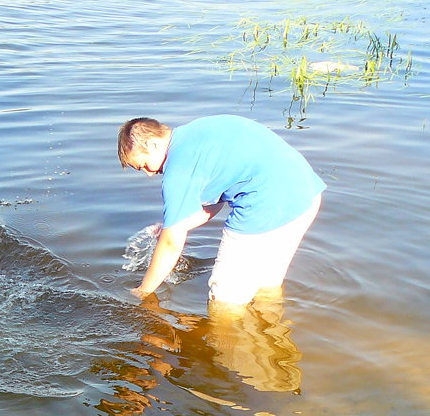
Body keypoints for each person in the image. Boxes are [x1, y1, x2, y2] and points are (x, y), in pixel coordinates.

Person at [117, 115, 325, 307]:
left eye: (144, 165)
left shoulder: (178, 168)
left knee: (224, 302)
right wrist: (176, 225)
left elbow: (171, 244)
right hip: (306, 195)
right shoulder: (197, 133)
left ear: (153, 144)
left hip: (265, 205)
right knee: (266, 286)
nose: (149, 174)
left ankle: (228, 345)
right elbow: (216, 201)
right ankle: (272, 339)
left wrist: (144, 292)